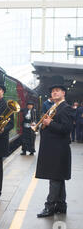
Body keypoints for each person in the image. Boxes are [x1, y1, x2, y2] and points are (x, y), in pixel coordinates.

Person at [35, 84, 75, 218]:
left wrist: (49, 123)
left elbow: (67, 128)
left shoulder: (66, 108)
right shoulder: (55, 107)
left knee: (54, 178)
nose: (54, 93)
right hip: (53, 148)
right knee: (58, 177)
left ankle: (50, 206)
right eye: (52, 91)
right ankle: (61, 205)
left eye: (57, 91)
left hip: (58, 149)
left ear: (63, 93)